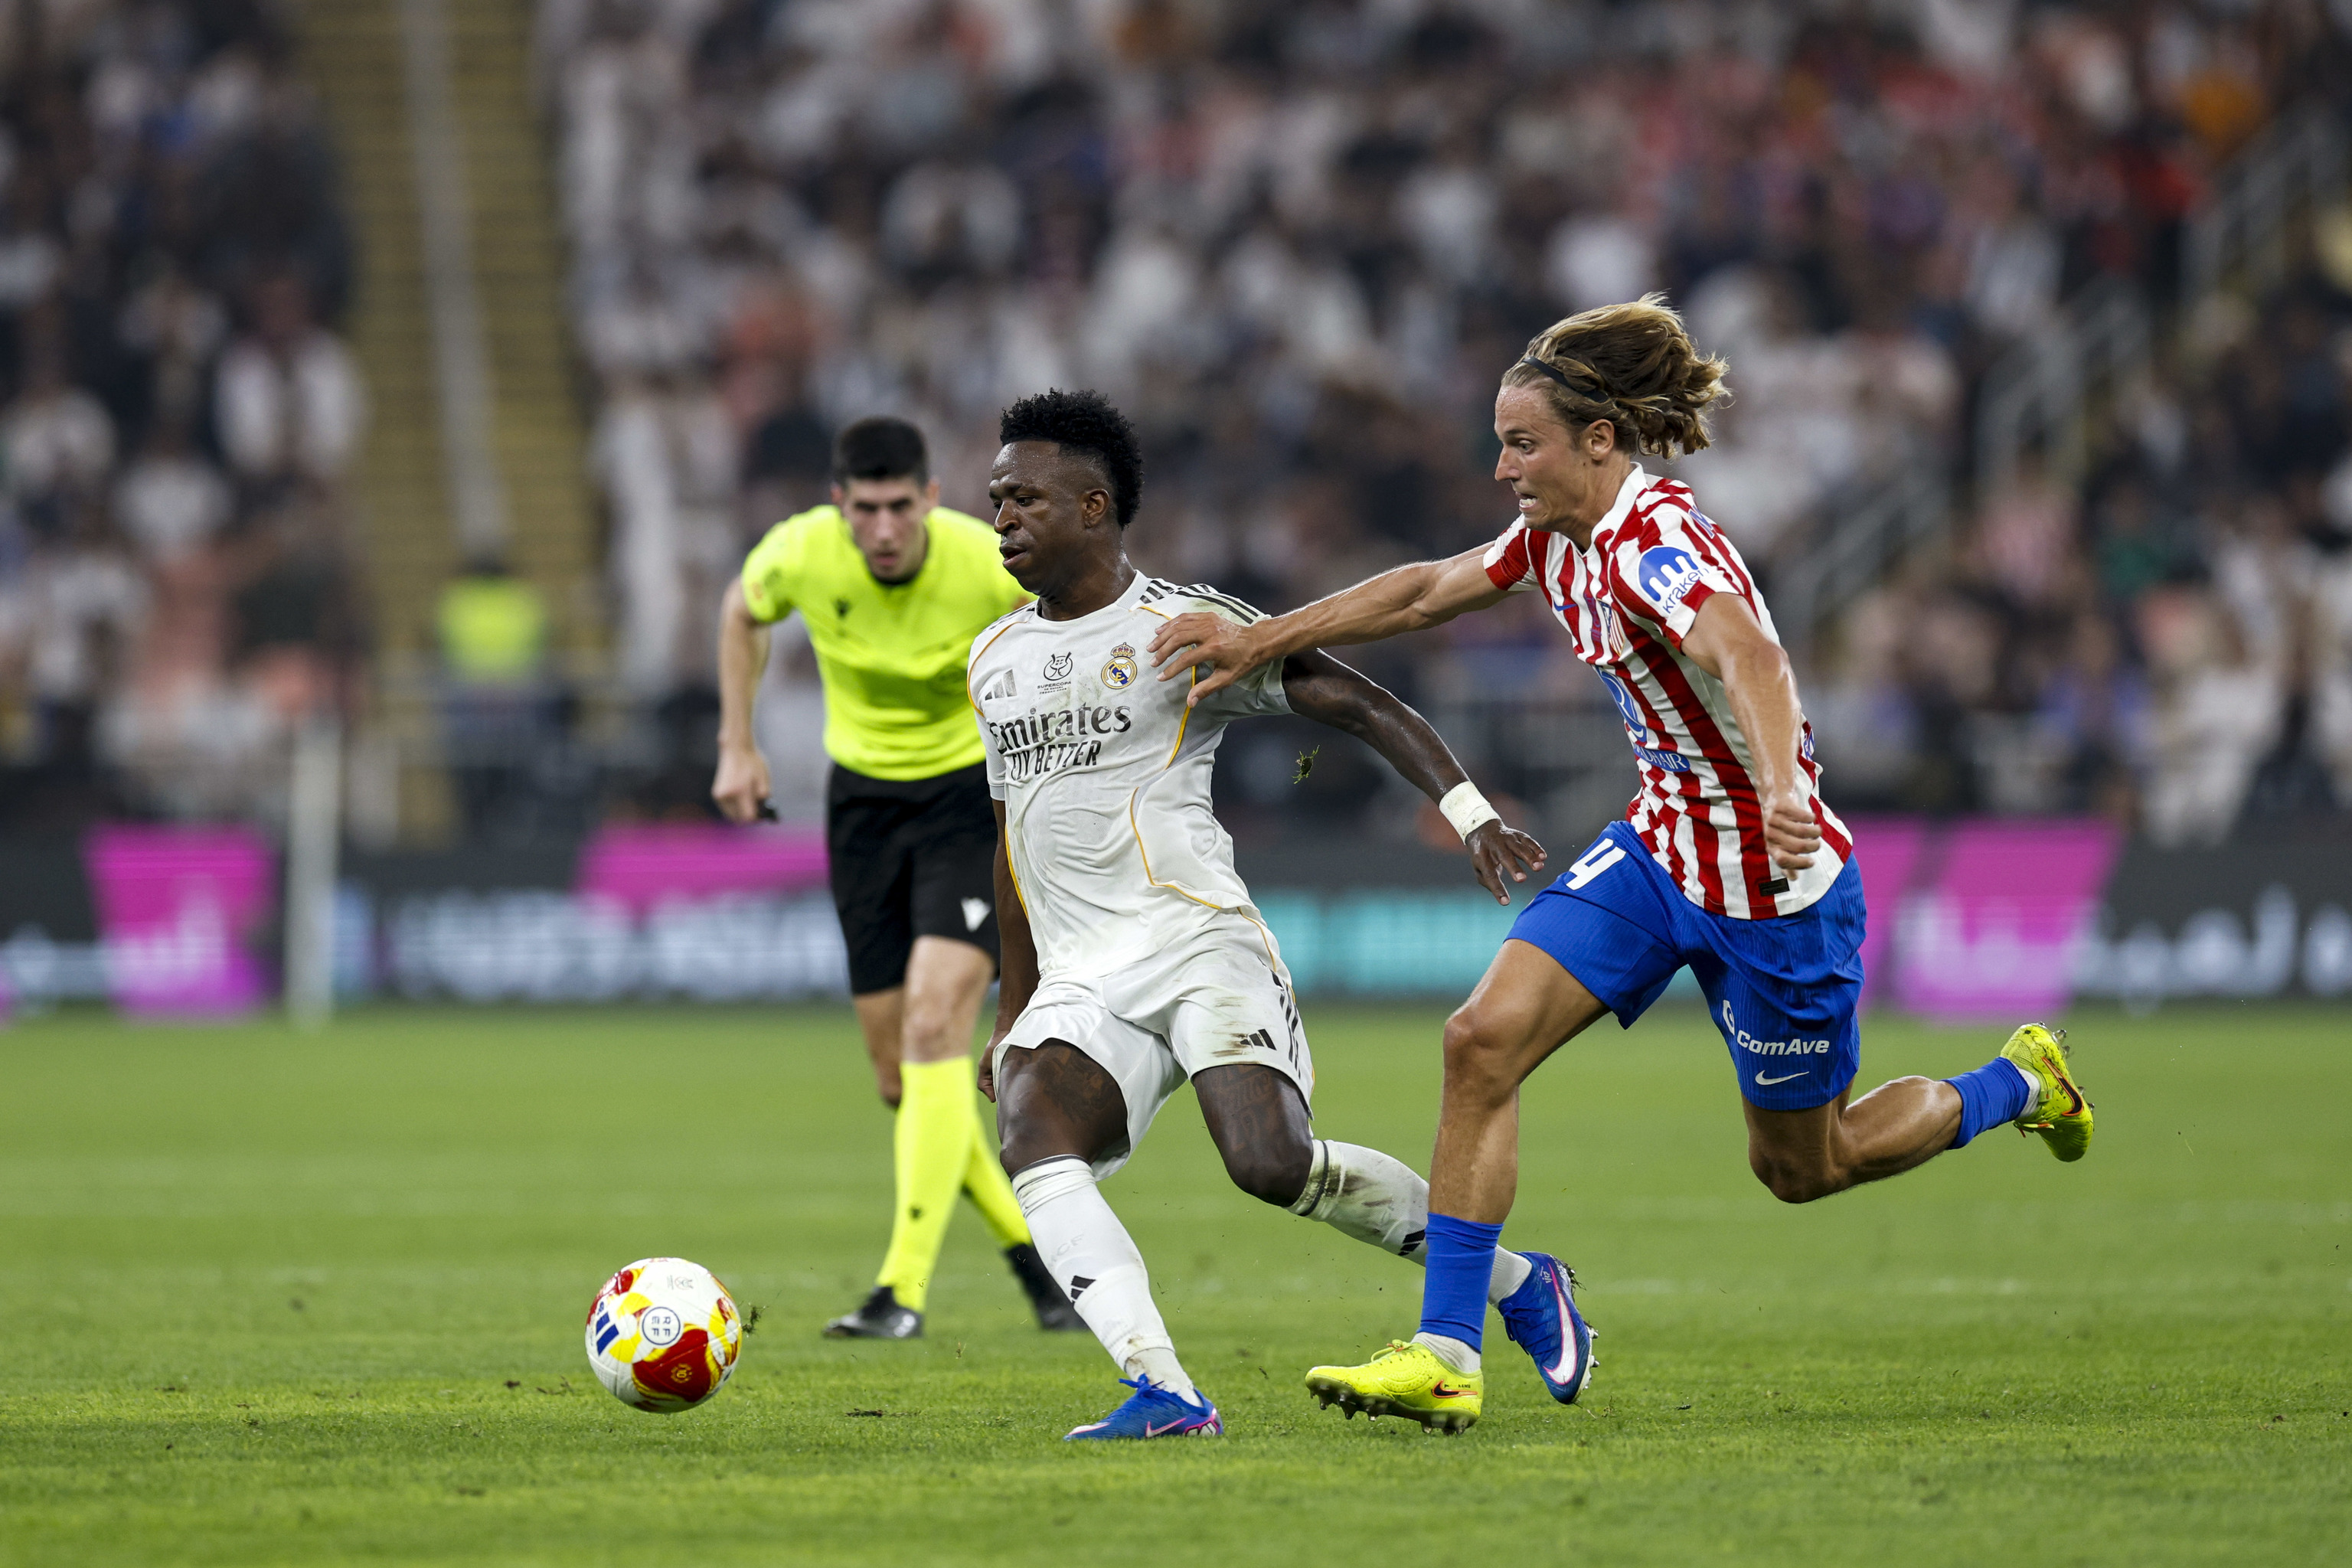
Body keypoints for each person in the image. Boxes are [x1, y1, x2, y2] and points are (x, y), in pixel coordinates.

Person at [1147, 296, 2097, 1433]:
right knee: (1478, 1040)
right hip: (1657, 850)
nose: (1503, 467)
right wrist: (1259, 637)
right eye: (1500, 442)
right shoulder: (1559, 538)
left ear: (1599, 443)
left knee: (1807, 1165)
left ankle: (2018, 1084)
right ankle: (1449, 1348)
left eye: (1522, 443)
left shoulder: (1655, 545)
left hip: (1772, 891)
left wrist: (1787, 788)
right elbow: (1420, 589)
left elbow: (1747, 652)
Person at [971, 389, 1555, 1441]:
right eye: (996, 500)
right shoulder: (994, 660)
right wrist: (1013, 1006)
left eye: (1025, 500)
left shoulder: (1184, 631)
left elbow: (1363, 703)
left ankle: (1517, 1282)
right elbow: (1012, 841)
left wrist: (1468, 813)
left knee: (1271, 1165)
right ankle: (1163, 1389)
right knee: (1031, 1139)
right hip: (1079, 973)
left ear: (1094, 507)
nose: (1002, 517)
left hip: (1197, 943)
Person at [712, 415, 1076, 1338]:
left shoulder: (984, 560)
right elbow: (740, 612)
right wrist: (737, 743)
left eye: (898, 508)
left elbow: (1074, 615)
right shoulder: (800, 553)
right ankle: (1039, 1268)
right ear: (840, 504)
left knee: (932, 1023)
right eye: (864, 509)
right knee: (905, 1078)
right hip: (862, 809)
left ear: (931, 501)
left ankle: (898, 1293)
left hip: (967, 802)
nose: (881, 529)